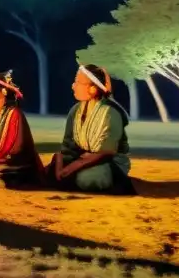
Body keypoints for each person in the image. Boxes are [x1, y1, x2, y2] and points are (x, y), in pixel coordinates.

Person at [47, 64, 135, 194]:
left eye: (78, 82)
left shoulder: (109, 113)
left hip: (108, 163)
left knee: (88, 180)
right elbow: (68, 146)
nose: (73, 86)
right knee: (50, 171)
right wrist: (62, 161)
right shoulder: (75, 111)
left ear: (93, 89)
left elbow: (106, 152)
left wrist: (69, 169)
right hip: (82, 159)